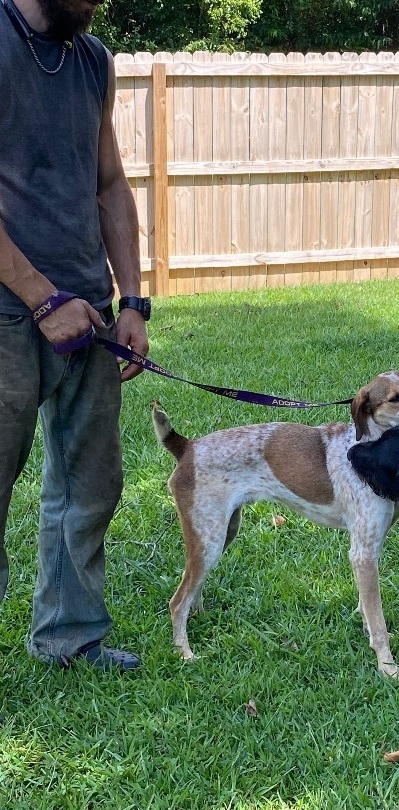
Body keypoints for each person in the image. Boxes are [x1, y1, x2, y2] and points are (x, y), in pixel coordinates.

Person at [0, 0, 150, 671]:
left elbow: (111, 183)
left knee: (91, 482)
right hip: (10, 310)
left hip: (87, 309)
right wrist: (40, 297)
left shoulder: (93, 59)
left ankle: (69, 637)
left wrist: (134, 300)